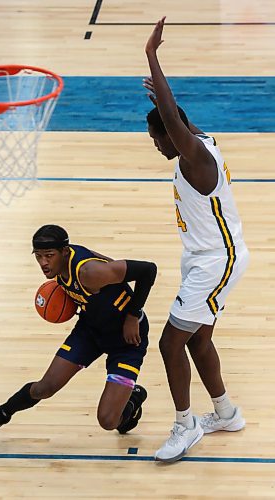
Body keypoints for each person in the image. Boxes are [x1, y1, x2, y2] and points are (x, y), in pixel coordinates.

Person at [144, 17, 249, 463]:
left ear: (172, 134)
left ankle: (185, 425)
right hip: (209, 258)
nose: (156, 145)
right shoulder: (201, 141)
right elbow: (177, 118)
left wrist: (152, 57)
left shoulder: (196, 156)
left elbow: (172, 119)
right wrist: (170, 104)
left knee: (170, 343)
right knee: (198, 341)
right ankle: (226, 413)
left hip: (215, 262)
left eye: (156, 139)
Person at [0, 224, 157, 444]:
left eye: (49, 256)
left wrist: (132, 316)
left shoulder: (89, 272)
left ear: (64, 252)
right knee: (44, 387)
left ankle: (132, 400)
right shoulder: (61, 265)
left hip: (126, 339)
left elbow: (148, 270)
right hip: (90, 331)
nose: (43, 263)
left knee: (108, 421)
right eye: (38, 256)